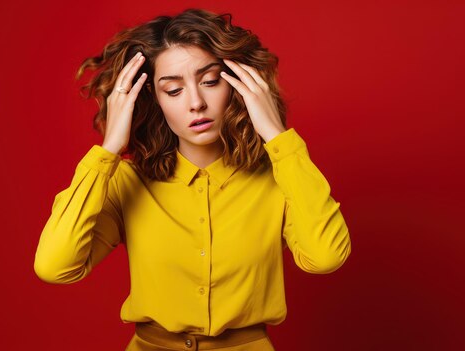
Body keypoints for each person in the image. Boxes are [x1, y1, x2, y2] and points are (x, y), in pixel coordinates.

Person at [34, 8, 352, 351]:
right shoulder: (127, 183)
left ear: (238, 87)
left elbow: (326, 257)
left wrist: (278, 137)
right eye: (173, 91)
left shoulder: (278, 178)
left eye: (210, 82)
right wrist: (108, 150)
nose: (196, 103)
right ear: (154, 100)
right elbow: (56, 266)